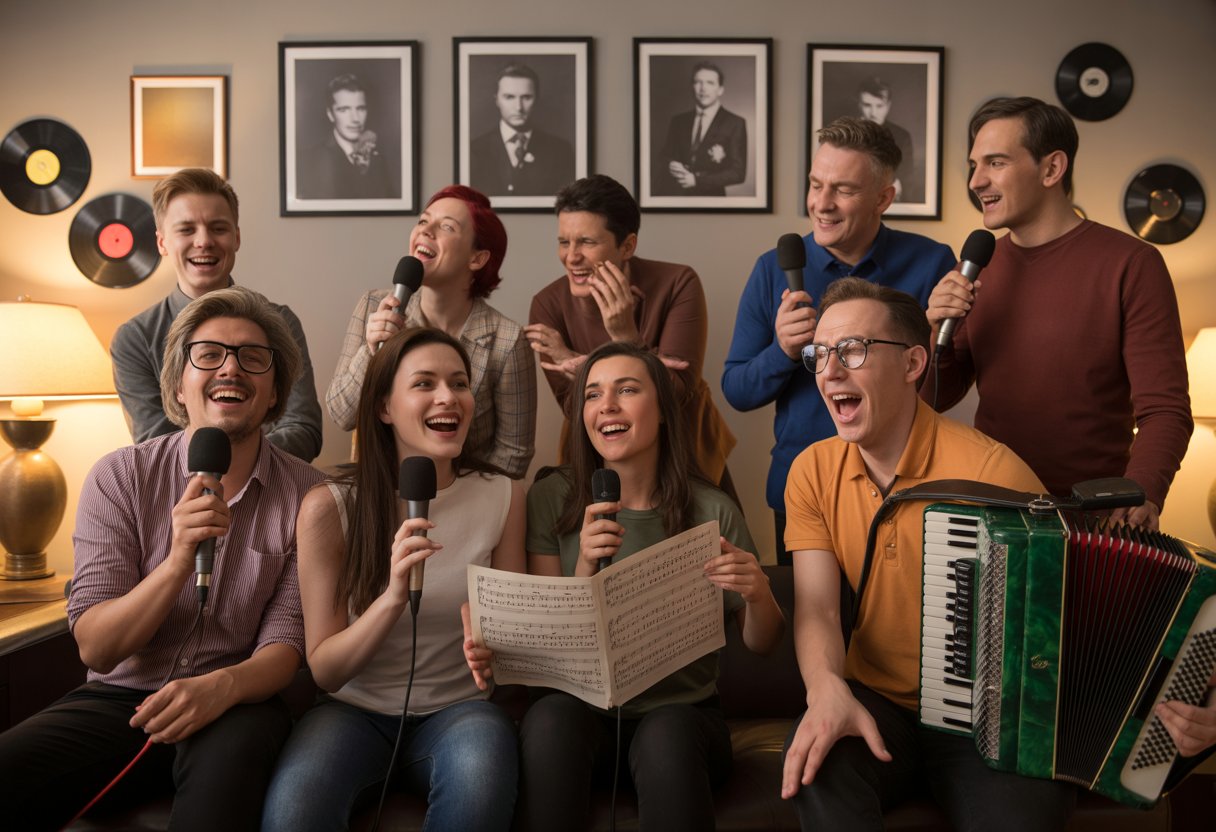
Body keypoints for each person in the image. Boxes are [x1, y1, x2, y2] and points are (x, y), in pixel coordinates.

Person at [0, 286, 324, 831]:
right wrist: (176, 562)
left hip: (238, 700)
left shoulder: (310, 496)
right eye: (209, 354)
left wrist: (220, 687)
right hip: (123, 697)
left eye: (252, 357)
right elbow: (98, 648)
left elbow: (285, 648)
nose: (231, 369)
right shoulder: (120, 477)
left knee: (225, 784)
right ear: (179, 382)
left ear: (274, 393)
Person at [779, 277, 1076, 830]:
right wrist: (826, 689)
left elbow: (1050, 628)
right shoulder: (811, 472)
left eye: (853, 351)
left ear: (914, 362)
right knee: (813, 769)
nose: (830, 371)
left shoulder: (995, 474)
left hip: (984, 720)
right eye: (821, 354)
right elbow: (817, 608)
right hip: (877, 704)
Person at [492, 341, 783, 831]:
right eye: (592, 395)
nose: (606, 405)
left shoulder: (713, 510)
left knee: (666, 733)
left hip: (684, 722)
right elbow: (549, 648)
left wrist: (759, 593)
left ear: (663, 412)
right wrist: (584, 565)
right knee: (550, 720)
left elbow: (763, 642)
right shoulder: (550, 497)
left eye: (626, 390)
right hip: (583, 719)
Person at [263, 327, 526, 831]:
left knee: (480, 784)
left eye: (460, 383)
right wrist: (392, 598)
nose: (448, 397)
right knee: (293, 815)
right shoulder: (329, 505)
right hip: (350, 713)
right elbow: (325, 672)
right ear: (384, 407)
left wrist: (495, 641)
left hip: (461, 712)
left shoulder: (504, 495)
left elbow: (514, 645)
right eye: (424, 383)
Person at [922, 96, 1193, 530]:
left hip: (1093, 519)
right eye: (973, 165)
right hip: (993, 512)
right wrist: (935, 331)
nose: (976, 181)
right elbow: (936, 399)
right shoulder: (974, 268)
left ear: (1051, 169)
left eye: (995, 162)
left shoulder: (1131, 264)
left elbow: (1165, 410)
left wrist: (1140, 493)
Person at [722, 117, 955, 563]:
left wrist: (923, 341)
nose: (821, 204)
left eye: (843, 190)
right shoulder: (773, 269)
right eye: (815, 184)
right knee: (811, 622)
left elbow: (944, 387)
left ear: (883, 198)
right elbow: (736, 390)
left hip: (906, 491)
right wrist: (783, 352)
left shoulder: (931, 263)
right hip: (804, 489)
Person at [526, 174, 739, 498]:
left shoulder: (678, 282)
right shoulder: (547, 304)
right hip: (597, 464)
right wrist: (643, 361)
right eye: (564, 242)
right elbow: (575, 409)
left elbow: (678, 392)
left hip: (686, 453)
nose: (571, 257)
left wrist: (621, 335)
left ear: (627, 246)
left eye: (586, 242)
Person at [111, 168, 323, 462]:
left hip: (277, 496)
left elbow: (303, 428)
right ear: (162, 243)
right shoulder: (134, 339)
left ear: (236, 238)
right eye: (186, 229)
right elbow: (157, 446)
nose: (203, 241)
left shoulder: (281, 323)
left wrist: (247, 472)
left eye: (218, 228)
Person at [326, 185, 536, 477]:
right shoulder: (373, 307)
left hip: (471, 495)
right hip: (385, 489)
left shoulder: (507, 341)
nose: (426, 231)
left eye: (446, 226)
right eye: (423, 221)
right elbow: (341, 415)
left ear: (477, 258)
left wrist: (468, 501)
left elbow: (513, 453)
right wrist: (371, 350)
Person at [469, 63, 575, 197]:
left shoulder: (560, 150)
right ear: (497, 100)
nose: (518, 107)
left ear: (536, 100)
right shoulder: (474, 150)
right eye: (509, 97)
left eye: (526, 97)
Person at [297, 73, 399, 200]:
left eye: (360, 109)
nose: (355, 119)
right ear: (330, 114)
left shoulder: (380, 160)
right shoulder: (308, 161)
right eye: (344, 110)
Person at [655, 61, 747, 197]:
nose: (703, 88)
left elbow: (738, 173)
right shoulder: (679, 121)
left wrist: (697, 180)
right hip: (675, 198)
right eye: (698, 82)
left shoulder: (735, 123)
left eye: (710, 83)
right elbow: (665, 155)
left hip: (712, 200)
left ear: (720, 89)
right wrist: (671, 164)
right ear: (692, 87)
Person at [855, 75, 919, 203]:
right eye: (867, 105)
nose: (873, 112)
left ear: (888, 106)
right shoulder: (844, 134)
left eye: (879, 106)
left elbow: (907, 180)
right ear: (859, 104)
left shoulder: (902, 137)